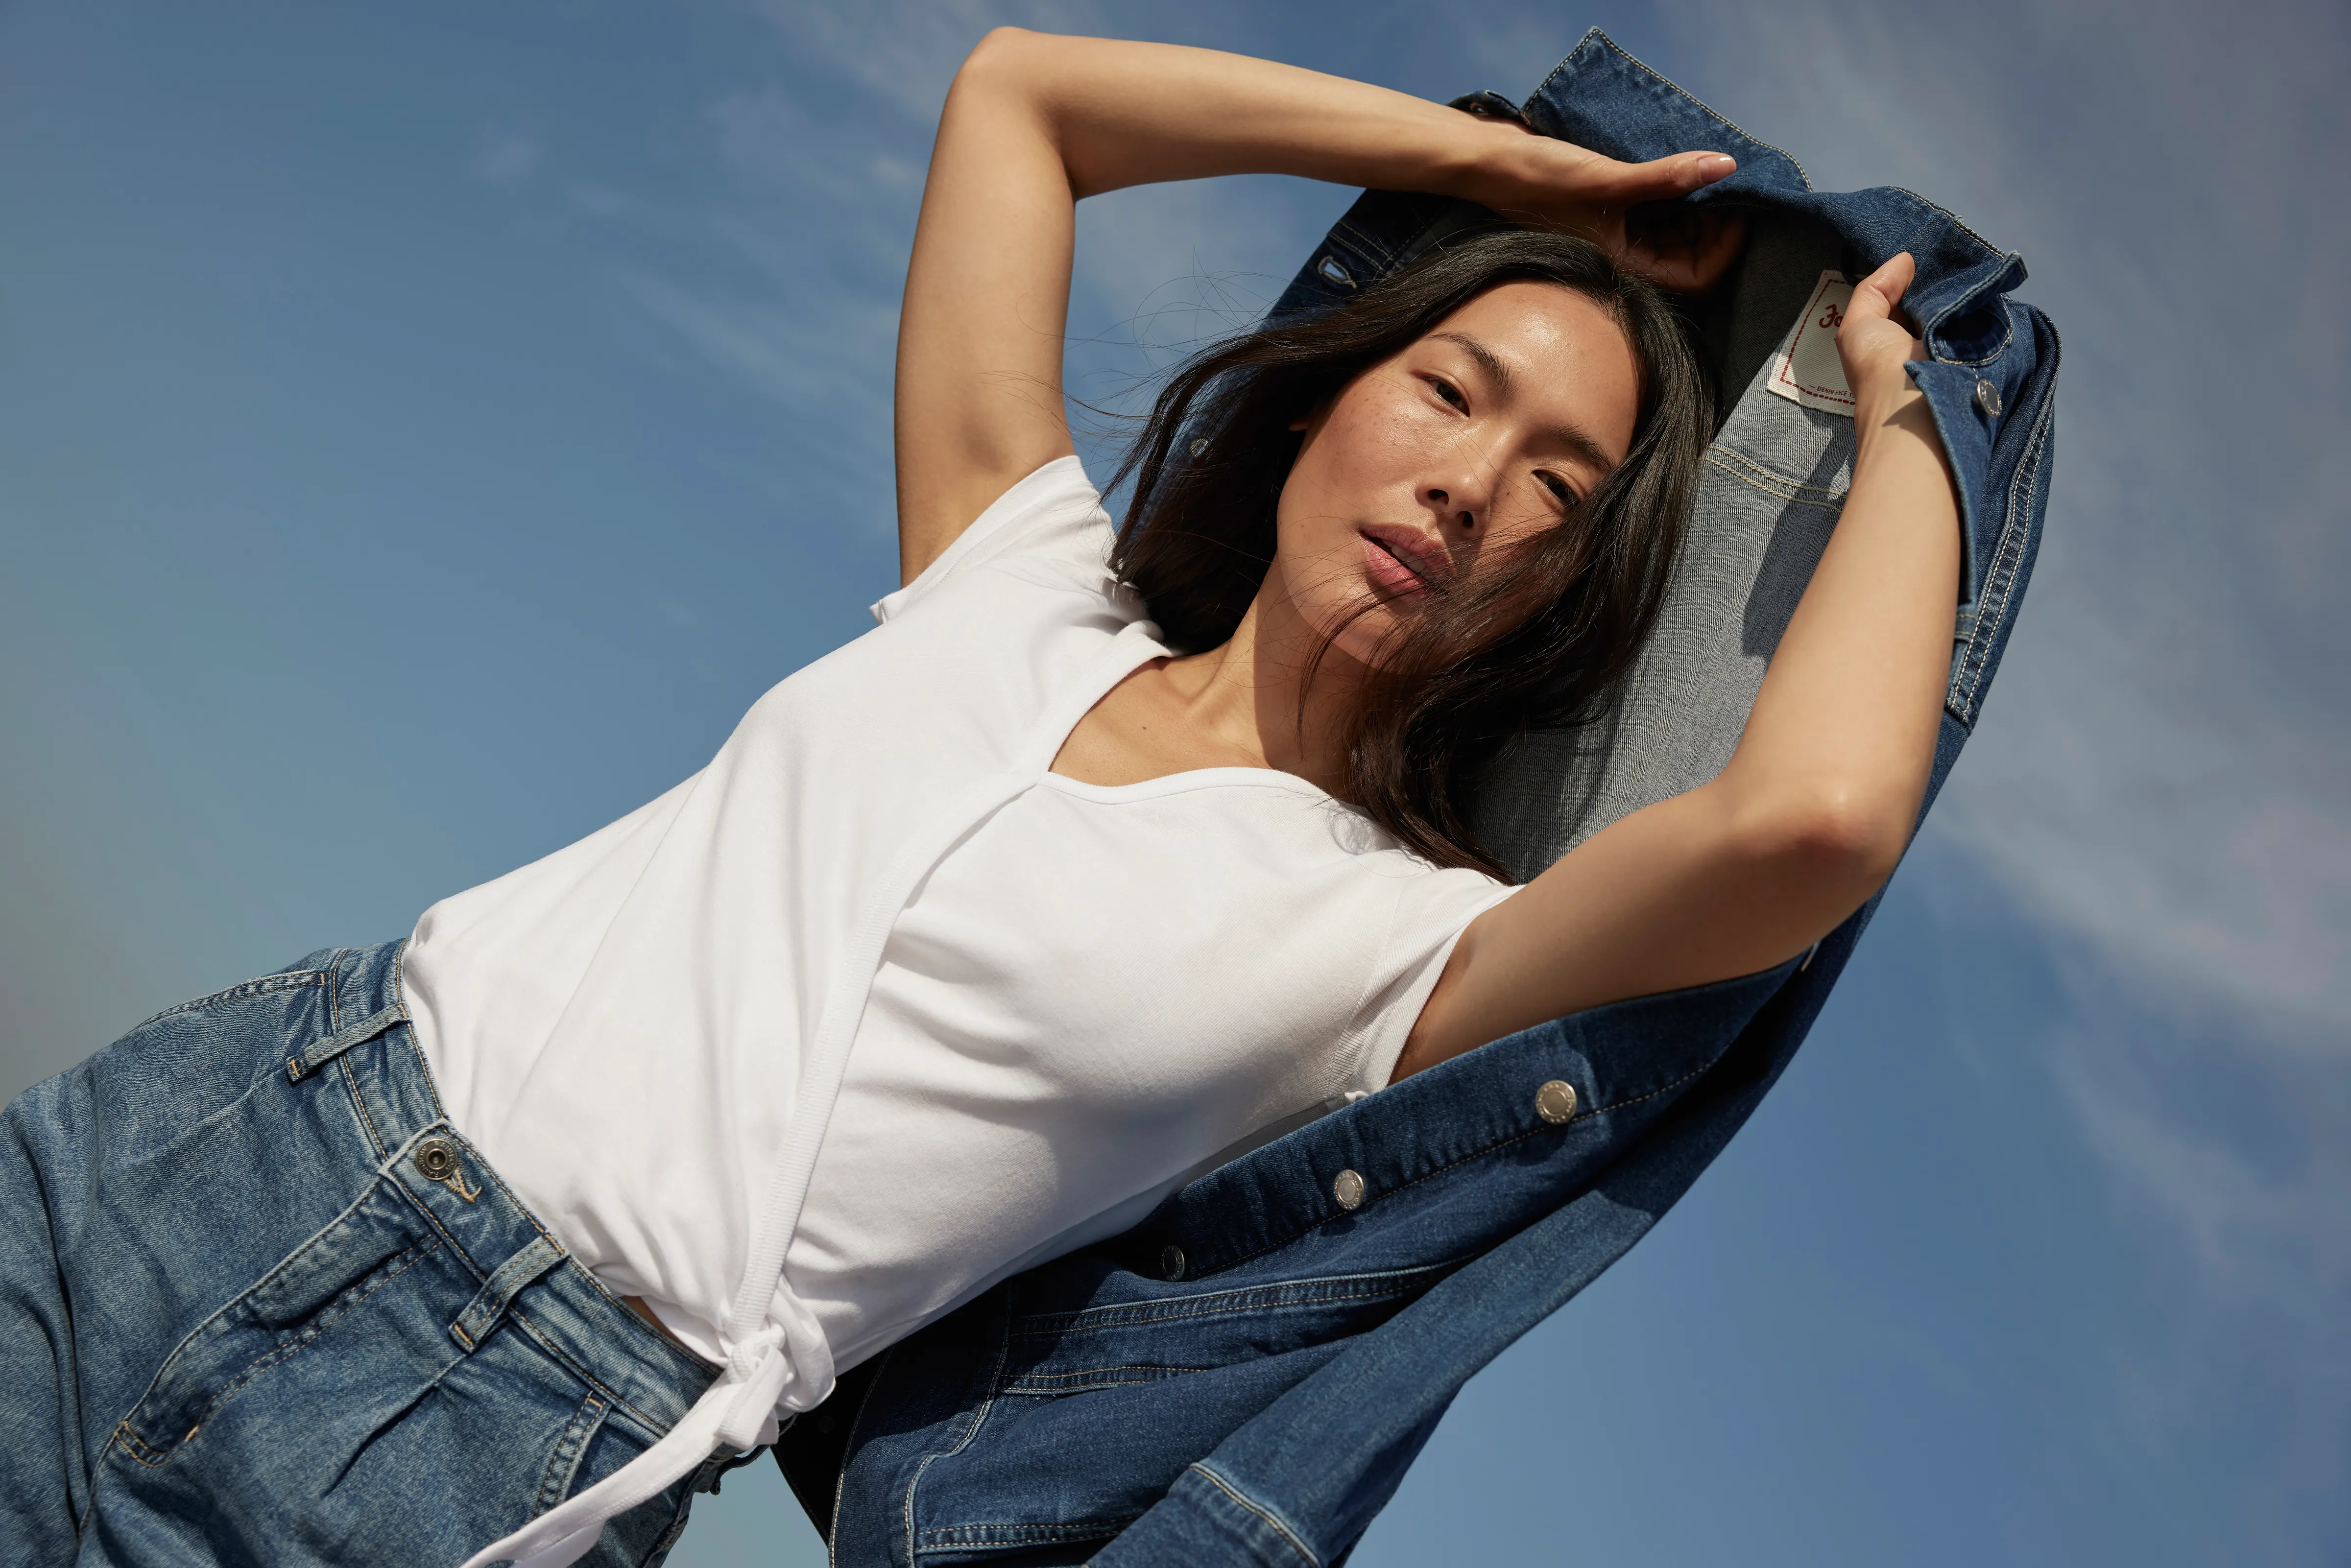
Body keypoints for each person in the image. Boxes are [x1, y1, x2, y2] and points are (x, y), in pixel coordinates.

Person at [0, 29, 1962, 1568]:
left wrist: (1904, 411)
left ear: (1571, 591)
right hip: (218, 1123)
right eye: (1452, 389)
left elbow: (1818, 817)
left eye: (1556, 487)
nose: (1471, 481)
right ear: (1330, 394)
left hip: (488, 1421)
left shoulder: (1397, 945)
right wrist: (1514, 174)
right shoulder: (1019, 578)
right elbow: (1025, 95)